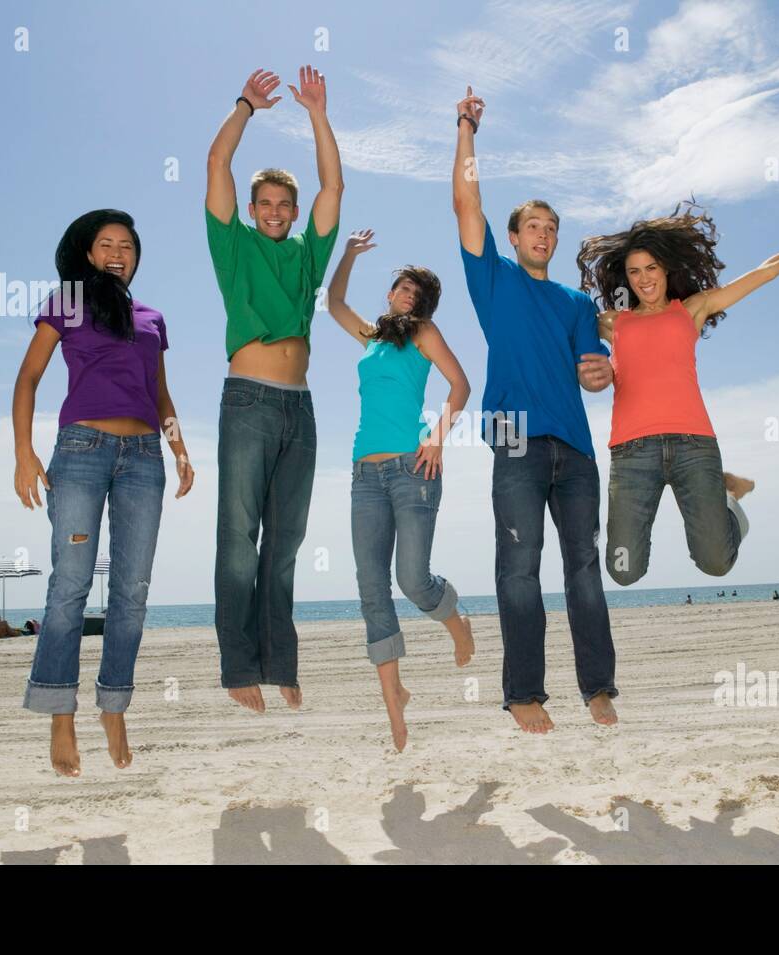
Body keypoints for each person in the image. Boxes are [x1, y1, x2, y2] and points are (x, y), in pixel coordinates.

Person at [452, 86, 618, 734]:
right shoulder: (494, 278)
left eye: (552, 228)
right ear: (515, 236)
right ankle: (525, 692)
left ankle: (598, 687)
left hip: (574, 446)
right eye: (533, 227)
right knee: (520, 567)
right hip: (514, 434)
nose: (544, 235)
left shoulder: (578, 305)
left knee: (583, 568)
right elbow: (467, 201)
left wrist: (604, 372)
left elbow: (594, 373)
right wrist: (466, 127)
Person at [13, 209, 194, 777]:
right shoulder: (66, 303)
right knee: (69, 586)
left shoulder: (152, 317)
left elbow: (160, 393)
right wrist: (24, 451)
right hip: (82, 454)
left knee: (132, 593)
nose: (118, 252)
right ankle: (59, 711)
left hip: (144, 458)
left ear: (136, 256)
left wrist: (180, 448)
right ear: (89, 254)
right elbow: (28, 378)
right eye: (107, 243)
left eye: (127, 245)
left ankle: (114, 706)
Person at [577, 203, 779, 588]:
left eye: (651, 268)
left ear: (665, 269)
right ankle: (723, 485)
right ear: (626, 277)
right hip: (633, 453)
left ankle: (729, 490)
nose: (644, 278)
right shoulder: (614, 322)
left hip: (693, 446)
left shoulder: (693, 309)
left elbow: (766, 271)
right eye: (635, 271)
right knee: (623, 570)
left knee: (717, 564)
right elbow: (562, 330)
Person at [206, 66, 343, 714]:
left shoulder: (305, 256)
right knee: (240, 537)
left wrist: (317, 112)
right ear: (252, 209)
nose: (275, 213)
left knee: (284, 544)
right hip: (248, 402)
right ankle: (239, 667)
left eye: (283, 206)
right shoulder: (231, 246)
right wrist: (245, 107)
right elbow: (217, 162)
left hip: (300, 410)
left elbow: (333, 186)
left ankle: (280, 663)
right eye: (265, 204)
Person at [326, 228, 475, 751]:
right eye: (402, 288)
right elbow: (333, 301)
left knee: (412, 579)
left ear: (424, 303)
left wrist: (437, 437)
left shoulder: (424, 334)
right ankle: (394, 701)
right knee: (372, 588)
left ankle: (455, 619)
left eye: (417, 291)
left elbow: (461, 384)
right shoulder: (371, 338)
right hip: (364, 475)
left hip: (414, 468)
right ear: (390, 294)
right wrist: (346, 254)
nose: (408, 295)